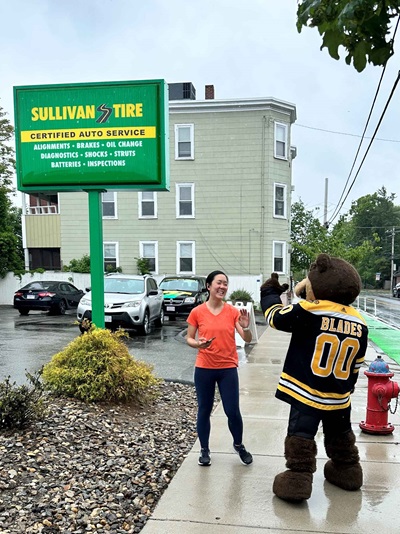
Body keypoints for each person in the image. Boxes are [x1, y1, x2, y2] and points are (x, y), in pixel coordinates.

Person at [260, 253, 368, 502]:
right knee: (340, 434)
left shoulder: (311, 310)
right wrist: (347, 389)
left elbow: (275, 317)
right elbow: (357, 364)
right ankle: (348, 471)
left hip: (307, 390)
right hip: (339, 395)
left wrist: (269, 292)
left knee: (301, 435)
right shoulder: (359, 322)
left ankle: (298, 479)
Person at [186, 270, 253, 467]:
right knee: (204, 410)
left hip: (227, 368)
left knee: (232, 410)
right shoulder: (197, 312)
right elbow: (189, 338)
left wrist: (246, 327)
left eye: (226, 283)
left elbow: (247, 339)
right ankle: (205, 449)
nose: (223, 286)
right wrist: (198, 344)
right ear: (209, 286)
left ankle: (239, 445)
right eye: (219, 283)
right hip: (204, 368)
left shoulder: (232, 312)